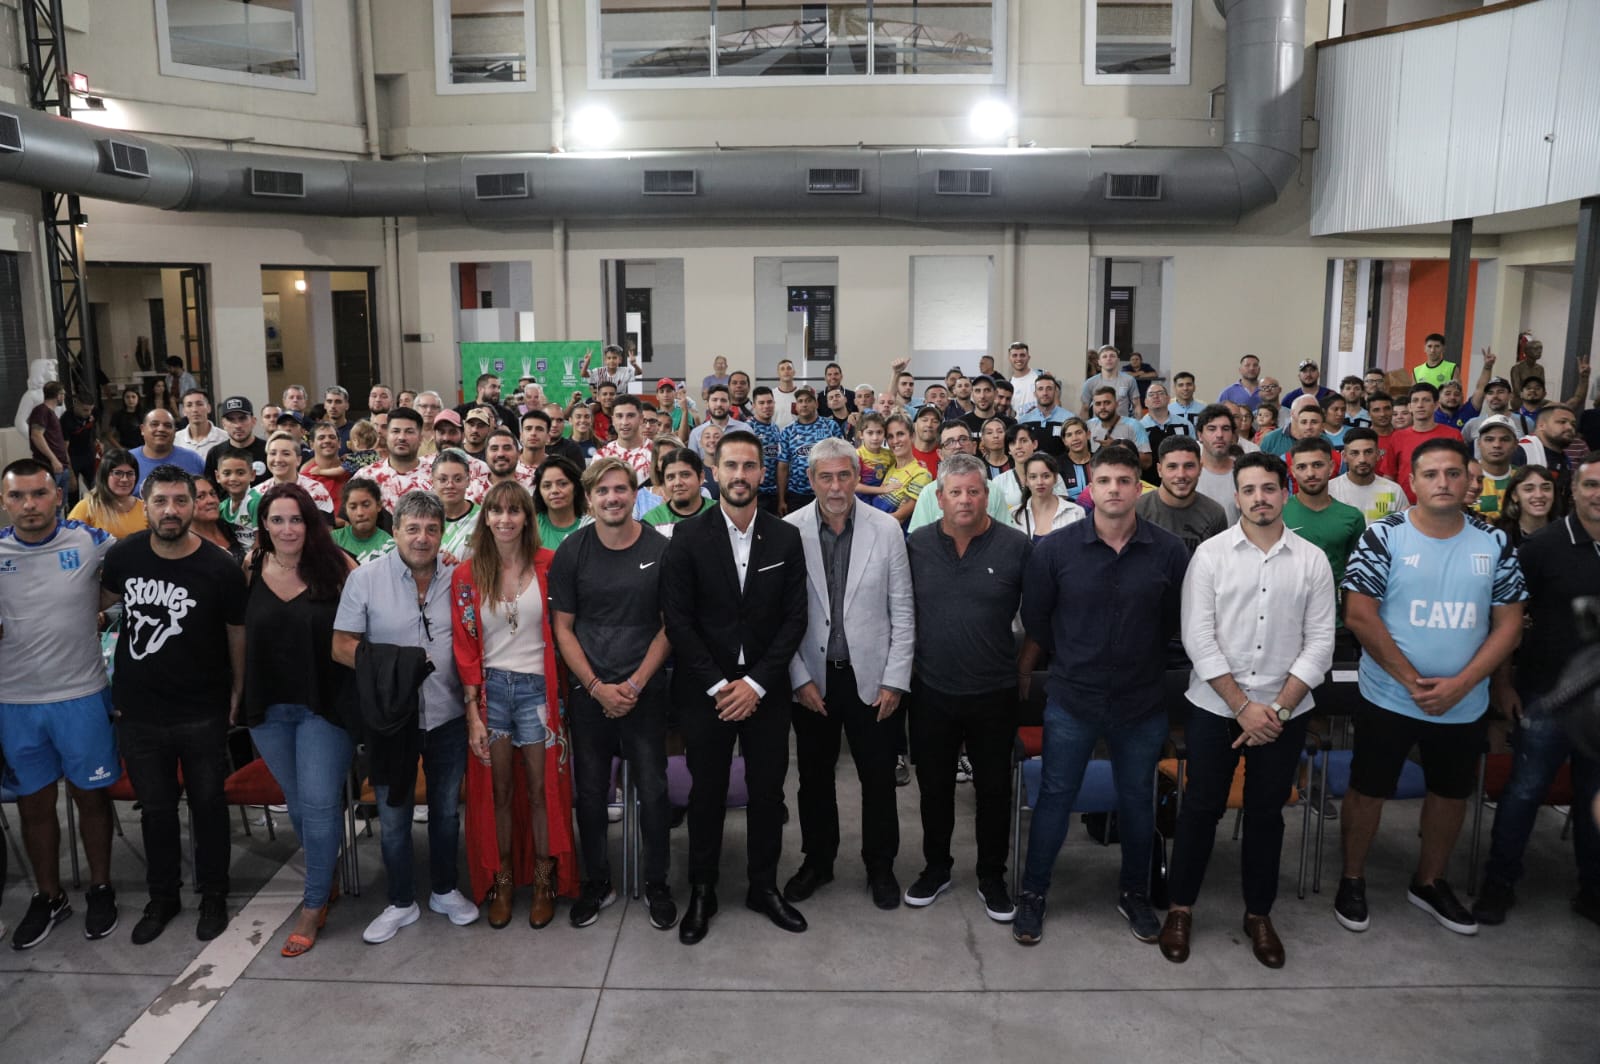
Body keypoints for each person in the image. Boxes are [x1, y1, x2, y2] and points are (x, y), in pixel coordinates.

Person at [1335, 438, 1526, 937]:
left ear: (1470, 481)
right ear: (1412, 483)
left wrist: (1464, 682)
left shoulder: (1495, 542)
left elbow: (1508, 623)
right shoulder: (1384, 536)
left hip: (1464, 702)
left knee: (1449, 793)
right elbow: (1358, 614)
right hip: (1389, 695)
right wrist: (1410, 679)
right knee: (1367, 789)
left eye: (1453, 473)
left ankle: (1429, 881)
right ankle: (1352, 878)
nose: (1443, 482)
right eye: (1431, 474)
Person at [1159, 452, 1335, 968]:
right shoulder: (1211, 556)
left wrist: (1276, 708)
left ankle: (1258, 914)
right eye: (1249, 489)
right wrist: (1242, 707)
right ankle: (1181, 908)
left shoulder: (1312, 560)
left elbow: (1321, 642)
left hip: (1286, 710)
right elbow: (1198, 637)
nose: (1260, 498)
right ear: (1236, 497)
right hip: (1217, 706)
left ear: (1285, 493)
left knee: (1266, 815)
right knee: (1201, 809)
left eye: (1269, 488)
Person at [1013, 444, 1189, 947]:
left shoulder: (1169, 551)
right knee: (1054, 798)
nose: (1114, 490)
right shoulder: (1056, 550)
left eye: (1125, 481)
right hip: (1073, 699)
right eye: (1105, 480)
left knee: (1137, 801)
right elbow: (1039, 621)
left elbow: (1176, 620)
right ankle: (1034, 893)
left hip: (1141, 702)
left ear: (1139, 486)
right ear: (1091, 486)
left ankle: (1133, 892)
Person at [661, 430, 809, 944]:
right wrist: (724, 684)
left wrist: (757, 684)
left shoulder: (785, 537)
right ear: (713, 473)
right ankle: (703, 889)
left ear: (762, 473)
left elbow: (795, 619)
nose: (740, 476)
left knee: (768, 794)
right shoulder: (688, 538)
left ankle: (763, 886)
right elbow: (678, 621)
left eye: (750, 466)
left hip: (766, 693)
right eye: (731, 466)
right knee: (706, 795)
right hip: (708, 693)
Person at [100, 464, 246, 945]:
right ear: (146, 506)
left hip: (201, 708)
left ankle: (214, 895)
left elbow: (235, 633)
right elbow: (100, 612)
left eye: (180, 501)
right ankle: (162, 897)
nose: (170, 510)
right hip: (139, 710)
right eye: (160, 501)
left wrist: (236, 691)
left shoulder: (221, 566)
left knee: (208, 804)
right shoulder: (123, 557)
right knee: (157, 810)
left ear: (194, 504)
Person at [334, 491, 479, 943]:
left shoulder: (459, 577)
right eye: (412, 528)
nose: (422, 538)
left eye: (431, 529)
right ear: (394, 530)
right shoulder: (366, 580)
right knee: (393, 816)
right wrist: (393, 667)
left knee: (445, 812)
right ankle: (400, 901)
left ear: (442, 533)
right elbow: (341, 645)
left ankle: (444, 889)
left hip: (448, 713)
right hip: (390, 719)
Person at [781, 438, 915, 911]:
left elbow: (902, 609)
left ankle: (880, 865)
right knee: (813, 779)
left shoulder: (886, 529)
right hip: (814, 679)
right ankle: (818, 860)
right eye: (825, 477)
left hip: (873, 679)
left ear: (857, 476)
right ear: (812, 479)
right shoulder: (789, 530)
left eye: (844, 476)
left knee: (878, 778)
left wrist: (896, 679)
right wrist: (798, 678)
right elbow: (782, 617)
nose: (835, 487)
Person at [549, 458, 677, 930]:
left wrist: (636, 683)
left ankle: (658, 882)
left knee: (656, 790)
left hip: (645, 691)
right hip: (590, 693)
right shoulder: (572, 551)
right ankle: (597, 882)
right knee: (589, 793)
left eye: (621, 490)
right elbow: (562, 628)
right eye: (602, 492)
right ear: (589, 499)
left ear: (634, 494)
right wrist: (598, 687)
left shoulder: (661, 549)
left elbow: (670, 626)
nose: (612, 499)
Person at [1473, 451, 1600, 926]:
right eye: (1590, 486)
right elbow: (1505, 620)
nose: (1598, 496)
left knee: (1594, 798)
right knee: (1524, 793)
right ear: (1574, 492)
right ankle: (1499, 885)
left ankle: (1592, 890)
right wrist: (1503, 681)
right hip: (1549, 695)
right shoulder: (1543, 547)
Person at [903, 452, 1030, 919]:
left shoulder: (1016, 546)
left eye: (974, 491)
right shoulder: (915, 544)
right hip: (931, 690)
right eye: (954, 491)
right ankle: (936, 868)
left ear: (987, 496)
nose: (965, 500)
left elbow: (1037, 620)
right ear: (939, 498)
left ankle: (991, 876)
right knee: (934, 788)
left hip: (994, 692)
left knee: (994, 790)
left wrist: (1022, 671)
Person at [0, 460, 121, 950]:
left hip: (81, 695)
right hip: (15, 701)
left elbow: (130, 579)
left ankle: (100, 887)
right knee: (33, 805)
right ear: (5, 502)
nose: (29, 505)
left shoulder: (90, 541)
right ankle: (48, 896)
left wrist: (102, 607)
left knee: (90, 797)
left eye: (38, 494)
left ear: (57, 494)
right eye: (18, 497)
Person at [449, 480, 577, 930]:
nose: (504, 519)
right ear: (485, 517)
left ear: (527, 517)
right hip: (490, 694)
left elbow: (565, 631)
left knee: (542, 793)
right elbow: (464, 645)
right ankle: (502, 880)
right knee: (497, 793)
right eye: (496, 511)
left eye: (514, 511)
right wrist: (471, 709)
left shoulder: (550, 565)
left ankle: (545, 880)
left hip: (538, 691)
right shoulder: (467, 574)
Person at [241, 483, 356, 956]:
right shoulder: (249, 569)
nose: (288, 529)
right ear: (264, 526)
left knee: (320, 803)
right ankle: (322, 875)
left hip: (325, 705)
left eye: (297, 519)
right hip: (268, 705)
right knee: (297, 802)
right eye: (278, 520)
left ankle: (312, 905)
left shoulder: (339, 568)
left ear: (312, 523)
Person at [1284, 437, 1367, 586]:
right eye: (1302, 467)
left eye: (1317, 465)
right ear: (1293, 471)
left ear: (1331, 467)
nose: (1310, 473)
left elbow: (1357, 571)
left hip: (1335, 606)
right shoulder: (1278, 514)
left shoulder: (1352, 517)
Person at [1135, 436, 1228, 555]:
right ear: (1159, 470)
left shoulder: (1215, 513)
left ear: (1200, 468)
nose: (1181, 475)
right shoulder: (1137, 510)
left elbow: (1219, 564)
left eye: (1189, 466)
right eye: (1172, 467)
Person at [1380, 383, 1462, 503]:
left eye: (1426, 400)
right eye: (1415, 401)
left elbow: (1461, 473)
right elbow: (1389, 476)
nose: (1420, 405)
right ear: (1409, 407)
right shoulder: (1398, 437)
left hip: (1443, 505)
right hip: (1404, 507)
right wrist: (1388, 506)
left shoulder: (1453, 435)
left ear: (1436, 405)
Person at [1329, 427, 1409, 526]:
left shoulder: (1393, 491)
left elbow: (1404, 530)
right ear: (1344, 456)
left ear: (1378, 454)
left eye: (1368, 452)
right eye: (1355, 453)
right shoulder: (1330, 490)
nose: (1362, 459)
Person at [67, 448, 147, 539]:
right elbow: (69, 542)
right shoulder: (87, 507)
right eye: (117, 473)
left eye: (130, 473)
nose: (124, 479)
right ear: (104, 475)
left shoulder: (145, 508)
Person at [1008, 453, 1086, 541]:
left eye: (1046, 476)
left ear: (1056, 478)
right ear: (1026, 481)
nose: (1040, 482)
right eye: (1033, 477)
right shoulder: (1015, 515)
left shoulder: (1075, 512)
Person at [642, 448, 715, 533]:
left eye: (685, 475)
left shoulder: (722, 512)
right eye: (670, 477)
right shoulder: (652, 520)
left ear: (701, 477)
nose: (677, 483)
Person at [131, 409, 205, 491]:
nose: (161, 429)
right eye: (154, 424)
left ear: (175, 431)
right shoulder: (129, 460)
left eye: (168, 425)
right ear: (142, 429)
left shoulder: (193, 460)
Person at [204, 396, 270, 486]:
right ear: (223, 424)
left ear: (253, 421)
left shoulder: (268, 450)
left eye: (242, 418)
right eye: (231, 420)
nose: (237, 425)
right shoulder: (215, 454)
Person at [1194, 404, 1242, 523]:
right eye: (1212, 429)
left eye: (1225, 429)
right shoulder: (1188, 474)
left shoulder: (1245, 473)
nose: (1219, 435)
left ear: (1232, 435)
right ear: (1200, 435)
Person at [26, 380, 71, 504]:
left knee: (59, 504)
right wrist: (53, 459)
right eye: (63, 394)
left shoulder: (50, 413)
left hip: (60, 465)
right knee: (49, 504)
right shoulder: (41, 411)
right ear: (58, 395)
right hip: (49, 466)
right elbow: (36, 435)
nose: (63, 397)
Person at [530, 455, 588, 549]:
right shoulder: (531, 527)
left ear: (576, 487)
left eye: (563, 484)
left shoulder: (590, 527)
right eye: (547, 486)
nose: (554, 490)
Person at [432, 449, 481, 560]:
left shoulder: (484, 518)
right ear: (432, 481)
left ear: (468, 480)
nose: (450, 485)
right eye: (443, 479)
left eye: (457, 479)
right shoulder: (424, 519)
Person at [1492, 464, 1556, 548]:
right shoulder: (1498, 535)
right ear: (1515, 495)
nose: (1539, 495)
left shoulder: (1566, 533)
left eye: (1546, 488)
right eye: (1529, 489)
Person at [1470, 414, 1520, 519]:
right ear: (1479, 443)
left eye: (1505, 439)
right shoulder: (1464, 477)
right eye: (1489, 439)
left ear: (1516, 444)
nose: (1497, 445)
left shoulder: (1523, 477)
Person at [333, 478, 394, 563]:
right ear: (345, 510)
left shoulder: (389, 546)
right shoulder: (333, 540)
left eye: (366, 505)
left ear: (378, 506)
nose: (360, 513)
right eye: (353, 507)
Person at [191, 475, 245, 564]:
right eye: (200, 496)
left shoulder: (227, 525)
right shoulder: (186, 544)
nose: (211, 500)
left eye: (212, 494)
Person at [1080, 345, 1141, 420]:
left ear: (1118, 360)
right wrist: (1086, 429)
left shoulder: (1129, 380)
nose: (1109, 359)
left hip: (1123, 426)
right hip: (1098, 427)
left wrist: (1138, 426)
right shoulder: (1090, 383)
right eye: (1104, 356)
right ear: (1099, 362)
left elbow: (1137, 406)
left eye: (1112, 356)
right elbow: (1084, 409)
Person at [300, 421, 350, 504]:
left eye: (332, 437)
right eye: (321, 438)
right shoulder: (304, 478)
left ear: (339, 443)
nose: (327, 440)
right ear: (311, 445)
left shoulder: (352, 470)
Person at [177, 389, 228, 459]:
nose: (194, 409)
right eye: (189, 405)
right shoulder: (175, 440)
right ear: (184, 411)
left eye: (199, 404)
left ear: (209, 408)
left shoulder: (225, 438)